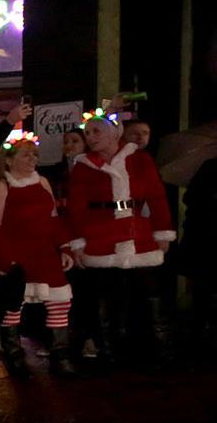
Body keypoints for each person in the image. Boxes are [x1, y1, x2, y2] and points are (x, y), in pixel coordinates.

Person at [62, 109, 175, 365]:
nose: (91, 137)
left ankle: (156, 348)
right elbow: (76, 208)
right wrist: (78, 242)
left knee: (148, 293)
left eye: (96, 131)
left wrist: (163, 231)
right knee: (105, 295)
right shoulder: (83, 166)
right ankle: (108, 350)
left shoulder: (140, 159)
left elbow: (156, 197)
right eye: (88, 132)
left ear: (115, 134)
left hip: (138, 233)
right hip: (100, 235)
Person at [0, 133, 77, 376]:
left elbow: (54, 220)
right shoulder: (1, 187)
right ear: (9, 160)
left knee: (60, 301)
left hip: (45, 252)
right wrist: (4, 261)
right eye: (26, 155)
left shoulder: (43, 182)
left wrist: (65, 248)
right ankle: (13, 354)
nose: (32, 159)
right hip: (17, 255)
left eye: (34, 155)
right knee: (14, 306)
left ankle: (61, 355)